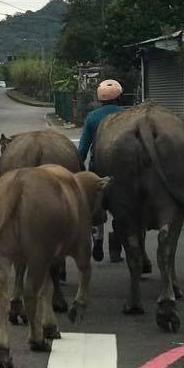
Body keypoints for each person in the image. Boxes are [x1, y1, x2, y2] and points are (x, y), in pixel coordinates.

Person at [78, 79, 124, 261]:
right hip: (123, 170)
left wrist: (80, 171)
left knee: (96, 207)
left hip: (97, 168)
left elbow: (82, 149)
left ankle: (97, 240)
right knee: (122, 209)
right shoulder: (127, 114)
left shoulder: (92, 117)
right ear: (119, 96)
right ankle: (115, 249)